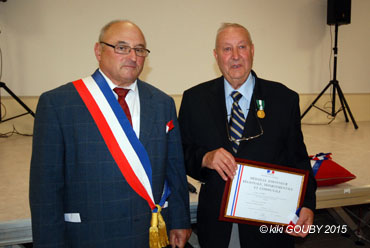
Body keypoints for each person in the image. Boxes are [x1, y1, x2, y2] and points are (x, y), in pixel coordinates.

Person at [29, 20, 191, 248]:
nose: (133, 56)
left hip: (148, 232)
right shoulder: (58, 104)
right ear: (98, 51)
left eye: (140, 49)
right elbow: (45, 188)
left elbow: (174, 169)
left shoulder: (162, 103)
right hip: (88, 234)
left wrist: (180, 220)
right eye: (122, 47)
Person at [178, 23, 317, 248]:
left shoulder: (283, 99)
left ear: (252, 50)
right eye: (226, 49)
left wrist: (308, 204)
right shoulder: (195, 99)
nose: (235, 56)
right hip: (217, 224)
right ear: (216, 55)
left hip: (269, 223)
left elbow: (298, 158)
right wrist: (205, 158)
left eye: (241, 47)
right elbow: (180, 154)